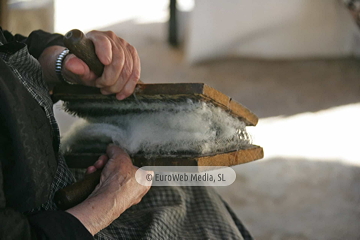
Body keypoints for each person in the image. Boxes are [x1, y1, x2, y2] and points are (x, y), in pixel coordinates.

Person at [0, 28, 253, 239]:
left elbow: (15, 45)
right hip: (57, 224)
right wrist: (110, 200)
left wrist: (61, 61)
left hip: (52, 175)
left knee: (188, 189)